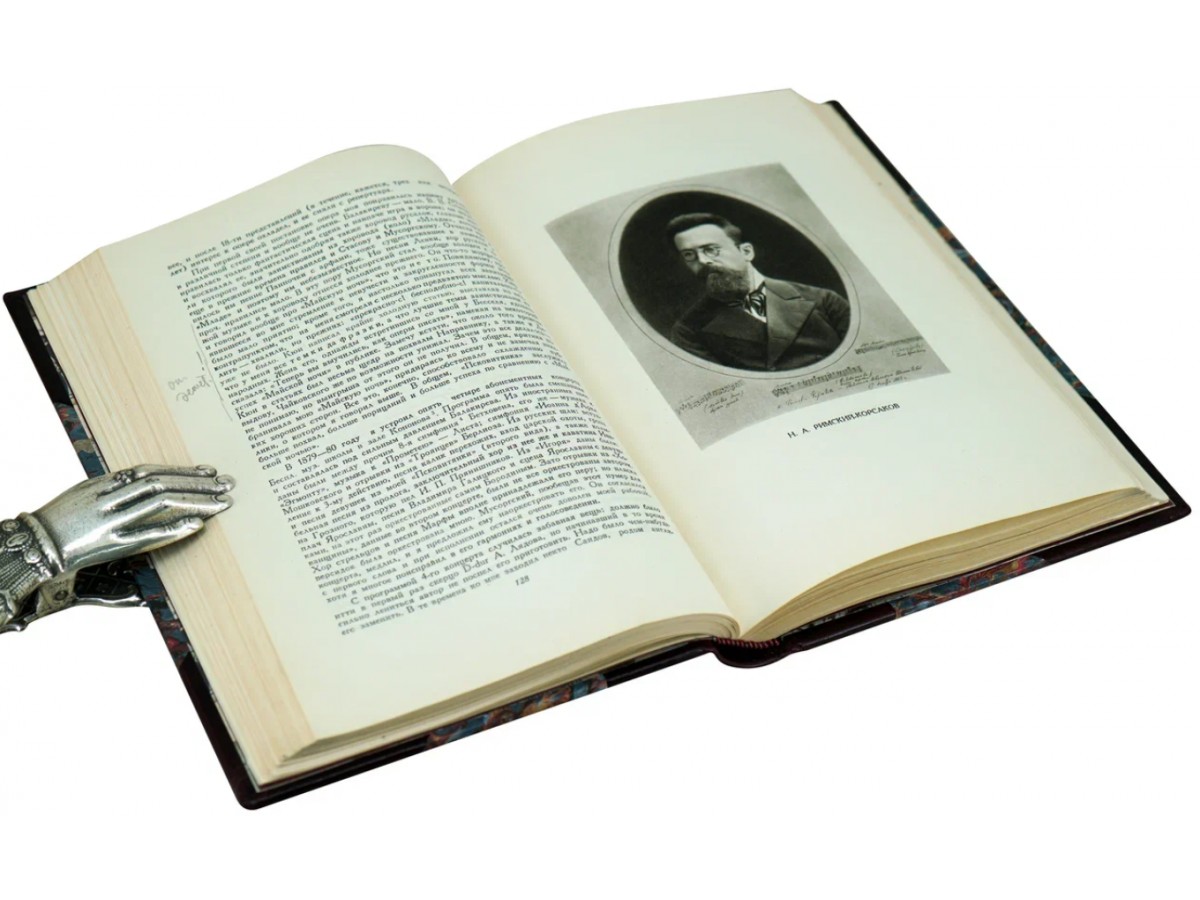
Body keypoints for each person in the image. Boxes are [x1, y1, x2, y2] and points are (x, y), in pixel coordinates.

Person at [666, 213, 850, 371]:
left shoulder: (824, 300)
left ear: (746, 252)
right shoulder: (688, 330)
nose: (702, 260)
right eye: (689, 255)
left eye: (711, 250)